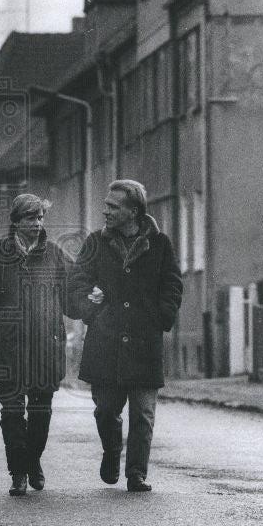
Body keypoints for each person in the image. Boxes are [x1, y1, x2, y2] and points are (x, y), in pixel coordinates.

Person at [68, 180, 183, 492]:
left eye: (113, 207)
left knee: (143, 414)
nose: (105, 211)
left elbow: (172, 284)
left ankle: (136, 473)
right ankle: (111, 450)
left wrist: (162, 316)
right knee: (105, 410)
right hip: (106, 342)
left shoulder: (159, 243)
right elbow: (77, 283)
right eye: (106, 205)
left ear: (134, 211)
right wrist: (93, 313)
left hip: (146, 341)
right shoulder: (95, 243)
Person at [0, 193, 75, 496]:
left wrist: (95, 297)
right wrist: (2, 323)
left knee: (41, 415)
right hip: (8, 351)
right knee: (12, 413)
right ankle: (18, 473)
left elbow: (73, 297)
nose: (37, 224)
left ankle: (33, 460)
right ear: (15, 222)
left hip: (45, 348)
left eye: (40, 218)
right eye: (30, 218)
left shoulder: (54, 255)